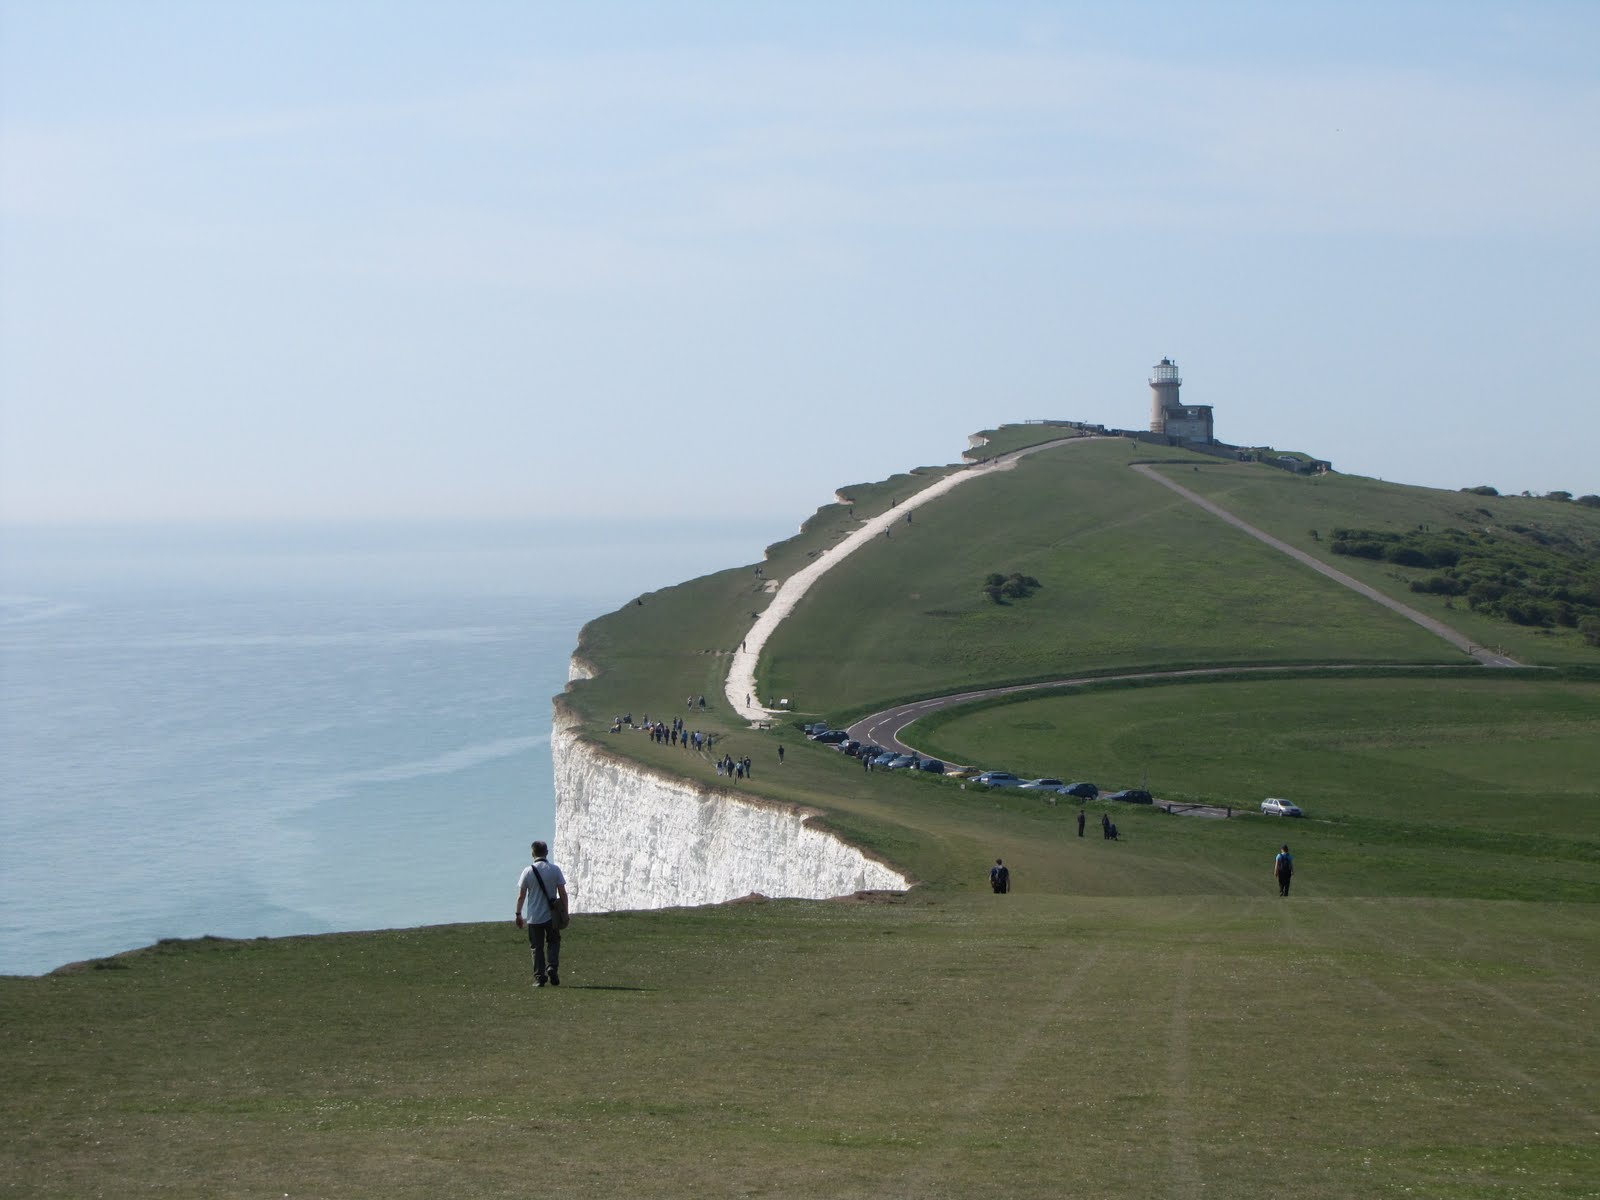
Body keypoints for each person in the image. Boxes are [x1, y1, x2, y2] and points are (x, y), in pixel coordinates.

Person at [515, 840, 568, 987]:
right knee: (554, 942)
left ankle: (540, 977)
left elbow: (521, 896)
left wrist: (518, 914)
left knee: (536, 947)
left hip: (534, 916)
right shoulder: (555, 870)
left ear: (532, 853)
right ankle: (552, 967)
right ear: (547, 852)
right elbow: (563, 893)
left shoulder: (527, 871)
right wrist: (565, 911)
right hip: (552, 916)